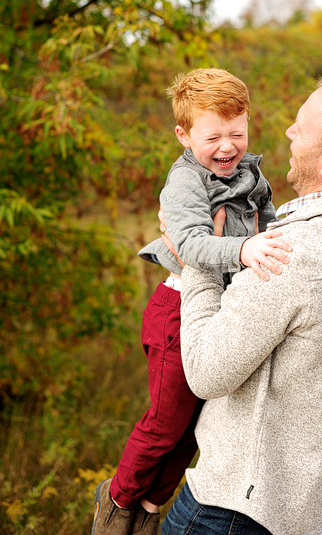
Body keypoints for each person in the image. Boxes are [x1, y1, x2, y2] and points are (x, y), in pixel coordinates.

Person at [161, 79, 322, 535]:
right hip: (314, 505)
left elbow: (206, 372)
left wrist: (194, 258)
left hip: (235, 511)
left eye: (303, 127)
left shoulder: (290, 257)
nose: (289, 131)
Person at [93, 68, 291, 535]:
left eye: (237, 133)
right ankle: (117, 499)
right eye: (213, 137)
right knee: (166, 423)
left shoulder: (251, 173)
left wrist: (283, 236)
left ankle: (146, 507)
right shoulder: (184, 183)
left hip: (222, 312)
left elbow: (271, 220)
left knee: (194, 430)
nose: (227, 147)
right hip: (178, 310)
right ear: (184, 135)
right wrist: (244, 249)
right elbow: (192, 245)